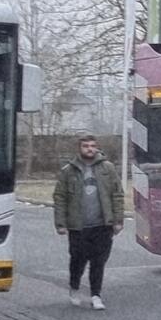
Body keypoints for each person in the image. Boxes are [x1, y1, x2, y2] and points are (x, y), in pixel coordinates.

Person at [52, 131, 123, 310]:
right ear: (79, 148)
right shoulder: (68, 171)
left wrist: (118, 220)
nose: (89, 149)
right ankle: (74, 287)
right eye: (86, 146)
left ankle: (96, 295)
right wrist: (61, 223)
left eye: (92, 146)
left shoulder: (107, 168)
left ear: (97, 148)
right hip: (78, 226)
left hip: (102, 225)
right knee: (78, 260)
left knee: (99, 262)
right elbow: (60, 197)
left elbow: (117, 194)